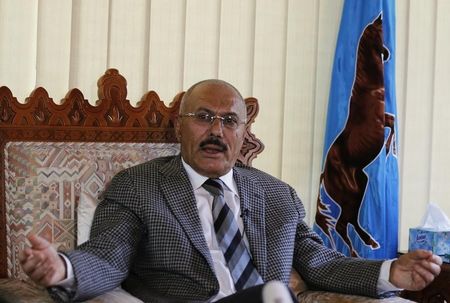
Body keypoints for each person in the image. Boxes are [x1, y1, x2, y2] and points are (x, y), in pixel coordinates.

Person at [19, 79, 442, 302]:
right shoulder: (139, 186)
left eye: (230, 121)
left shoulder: (276, 194)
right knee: (276, 294)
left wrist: (390, 272)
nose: (217, 132)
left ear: (244, 134)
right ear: (179, 126)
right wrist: (63, 268)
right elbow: (108, 256)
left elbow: (320, 264)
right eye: (204, 117)